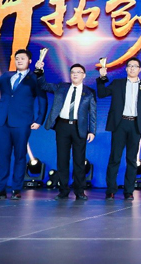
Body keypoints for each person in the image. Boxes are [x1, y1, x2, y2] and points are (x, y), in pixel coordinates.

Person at [0, 49, 47, 200]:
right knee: (3, 156)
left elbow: (42, 99)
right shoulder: (6, 76)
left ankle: (16, 189)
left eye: (22, 58)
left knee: (20, 156)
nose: (19, 60)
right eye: (17, 58)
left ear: (29, 61)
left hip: (22, 122)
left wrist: (39, 120)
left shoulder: (35, 78)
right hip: (2, 122)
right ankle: (0, 189)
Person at [35, 62, 96, 200]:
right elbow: (43, 85)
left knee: (79, 161)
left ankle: (80, 191)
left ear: (84, 75)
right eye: (73, 72)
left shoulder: (89, 92)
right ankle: (63, 190)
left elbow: (93, 113)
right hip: (62, 126)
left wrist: (92, 131)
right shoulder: (61, 87)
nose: (75, 74)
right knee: (62, 159)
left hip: (79, 128)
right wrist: (40, 71)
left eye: (78, 72)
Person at [97, 57, 141, 201]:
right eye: (130, 66)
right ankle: (111, 190)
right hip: (120, 124)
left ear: (140, 69)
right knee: (115, 158)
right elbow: (102, 94)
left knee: (132, 160)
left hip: (136, 125)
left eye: (135, 66)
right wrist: (102, 78)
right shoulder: (118, 83)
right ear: (126, 69)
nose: (132, 68)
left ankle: (129, 191)